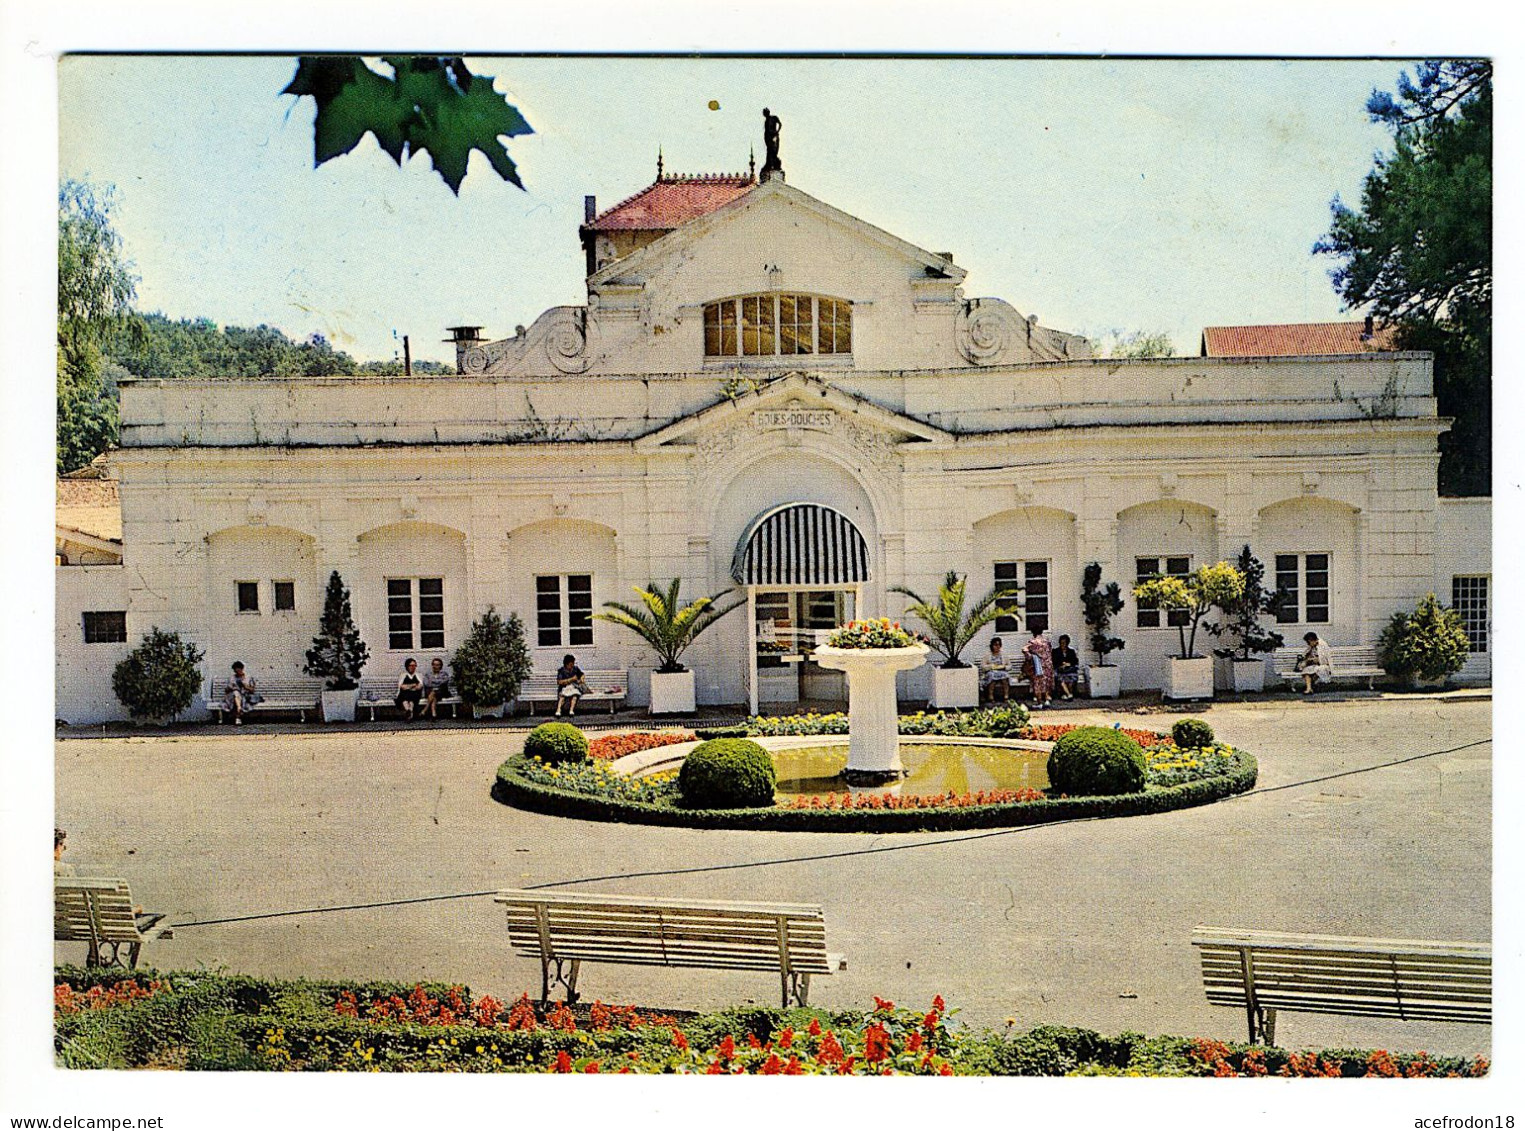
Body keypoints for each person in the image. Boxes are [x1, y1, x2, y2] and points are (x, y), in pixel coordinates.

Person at [53, 828, 163, 931]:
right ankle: (129, 912)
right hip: (69, 925)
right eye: (62, 846)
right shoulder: (65, 869)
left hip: (52, 927)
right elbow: (76, 904)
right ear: (58, 846)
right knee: (134, 909)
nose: (64, 850)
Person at [1021, 621, 1055, 709]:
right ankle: (1047, 700)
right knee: (1046, 682)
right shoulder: (1047, 641)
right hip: (1048, 664)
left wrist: (1030, 657)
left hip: (1038, 665)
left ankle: (1039, 702)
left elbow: (1024, 649)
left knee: (1037, 684)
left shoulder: (1033, 642)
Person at [979, 637, 1012, 703]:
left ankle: (1006, 696)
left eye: (999, 645)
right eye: (995, 645)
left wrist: (1004, 667)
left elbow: (1010, 666)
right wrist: (991, 666)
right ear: (992, 646)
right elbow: (982, 666)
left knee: (1005, 676)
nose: (997, 647)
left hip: (1001, 671)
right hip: (991, 672)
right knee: (992, 677)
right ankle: (991, 696)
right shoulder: (987, 655)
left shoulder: (1004, 655)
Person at [1053, 634, 1082, 700]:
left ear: (1067, 643)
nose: (1063, 644)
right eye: (1061, 643)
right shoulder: (1056, 651)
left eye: (1064, 643)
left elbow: (1075, 661)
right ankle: (1069, 695)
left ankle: (1066, 694)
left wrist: (1069, 664)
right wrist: (1061, 664)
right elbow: (1054, 662)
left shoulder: (1071, 651)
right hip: (1060, 670)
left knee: (1071, 680)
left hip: (1070, 670)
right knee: (1061, 680)